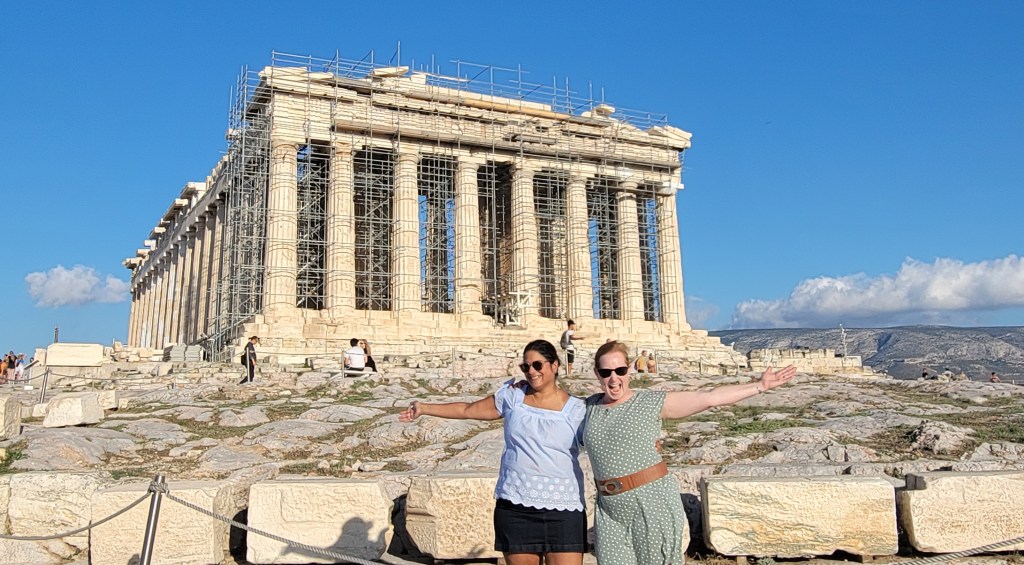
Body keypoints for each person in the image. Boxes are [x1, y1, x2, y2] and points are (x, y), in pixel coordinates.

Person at [583, 340, 797, 565]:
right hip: (609, 510)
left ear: (630, 370)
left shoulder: (649, 403)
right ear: (597, 374)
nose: (614, 378)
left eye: (620, 370)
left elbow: (708, 398)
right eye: (606, 372)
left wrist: (759, 386)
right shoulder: (587, 407)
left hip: (651, 502)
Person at [400, 340, 586, 565]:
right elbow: (468, 410)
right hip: (516, 506)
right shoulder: (512, 397)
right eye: (525, 367)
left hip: (564, 508)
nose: (531, 372)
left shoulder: (578, 409)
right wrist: (424, 408)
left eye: (537, 365)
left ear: (555, 365)